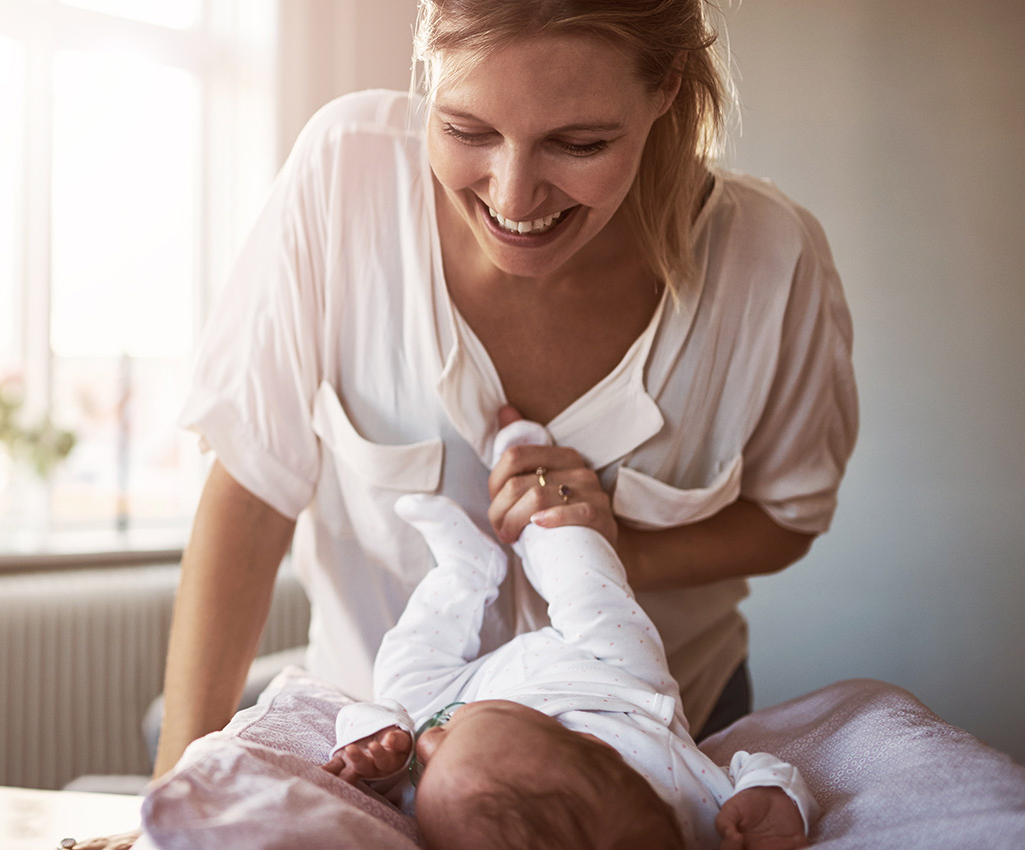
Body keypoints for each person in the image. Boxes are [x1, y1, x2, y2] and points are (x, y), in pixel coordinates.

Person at [156, 0, 856, 786]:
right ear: (426, 64)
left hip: (651, 768)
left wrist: (619, 547)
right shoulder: (344, 173)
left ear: (666, 86)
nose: (514, 199)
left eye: (578, 143)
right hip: (371, 758)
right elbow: (251, 493)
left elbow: (786, 517)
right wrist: (173, 790)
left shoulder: (771, 261)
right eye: (465, 131)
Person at [321, 417, 815, 850]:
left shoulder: (452, 805)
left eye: (428, 769)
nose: (430, 743)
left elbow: (384, 769)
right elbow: (759, 770)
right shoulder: (700, 808)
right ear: (598, 747)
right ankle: (534, 487)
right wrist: (772, 800)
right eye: (449, 738)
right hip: (612, 683)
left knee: (398, 682)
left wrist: (377, 750)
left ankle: (465, 570)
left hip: (473, 690)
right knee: (588, 585)